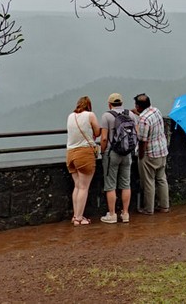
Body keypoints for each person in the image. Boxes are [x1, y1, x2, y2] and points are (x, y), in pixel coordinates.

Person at [99, 92, 135, 224]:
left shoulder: (106, 116)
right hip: (127, 153)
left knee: (110, 185)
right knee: (126, 184)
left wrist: (102, 152)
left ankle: (112, 214)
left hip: (112, 153)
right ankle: (125, 214)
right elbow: (135, 132)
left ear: (109, 104)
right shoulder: (130, 114)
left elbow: (103, 138)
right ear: (122, 103)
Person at [65, 95, 100, 225]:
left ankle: (75, 216)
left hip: (70, 153)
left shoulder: (70, 116)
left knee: (78, 186)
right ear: (88, 105)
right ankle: (79, 218)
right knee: (84, 187)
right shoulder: (90, 115)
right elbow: (97, 131)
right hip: (84, 153)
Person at [133, 93, 169, 214]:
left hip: (150, 154)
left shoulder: (143, 120)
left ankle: (149, 209)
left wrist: (141, 156)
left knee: (148, 182)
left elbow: (143, 140)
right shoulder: (156, 111)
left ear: (138, 106)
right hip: (162, 150)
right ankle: (164, 206)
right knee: (161, 179)